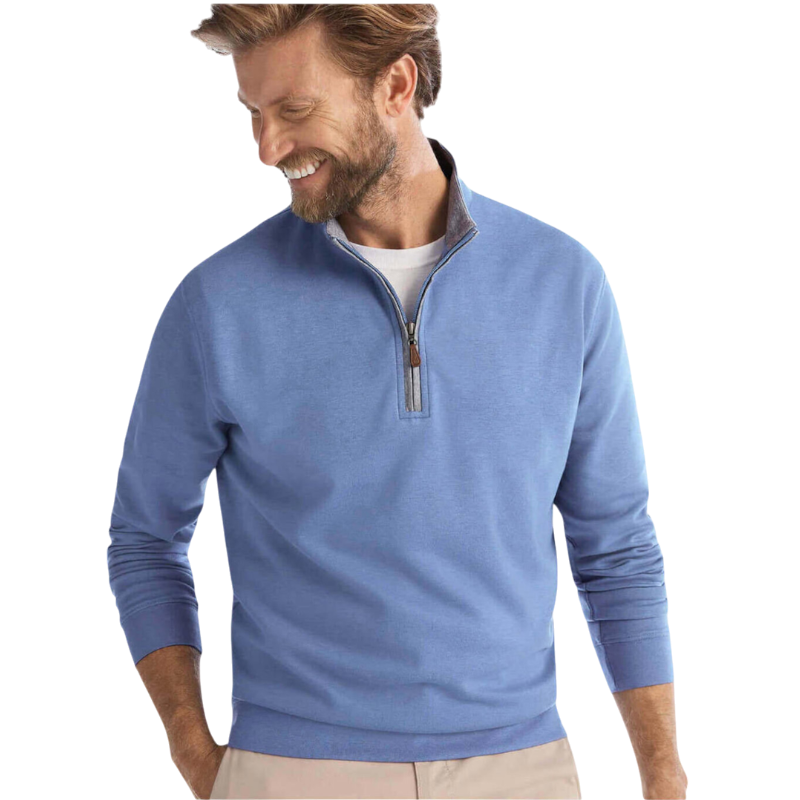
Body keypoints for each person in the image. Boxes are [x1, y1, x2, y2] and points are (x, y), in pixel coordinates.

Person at [108, 5, 684, 799]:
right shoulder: (217, 302)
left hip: (522, 768)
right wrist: (195, 754)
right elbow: (144, 539)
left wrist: (661, 773)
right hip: (293, 771)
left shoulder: (564, 281)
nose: (268, 147)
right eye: (253, 114)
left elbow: (615, 543)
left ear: (397, 86)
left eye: (294, 109)